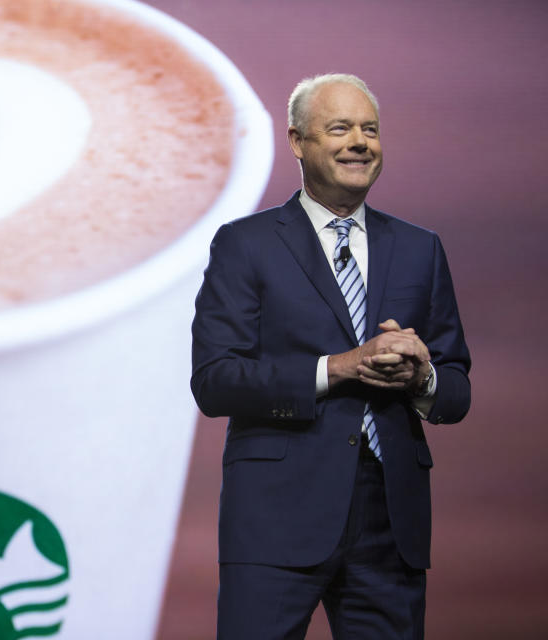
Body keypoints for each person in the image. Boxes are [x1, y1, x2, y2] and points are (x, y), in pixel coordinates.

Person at [190, 73, 470, 639]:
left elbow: (457, 388)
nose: (359, 142)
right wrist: (334, 368)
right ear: (297, 142)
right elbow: (215, 380)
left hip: (391, 520)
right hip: (274, 515)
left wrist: (423, 379)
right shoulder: (246, 244)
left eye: (370, 129)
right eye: (339, 128)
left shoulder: (420, 248)